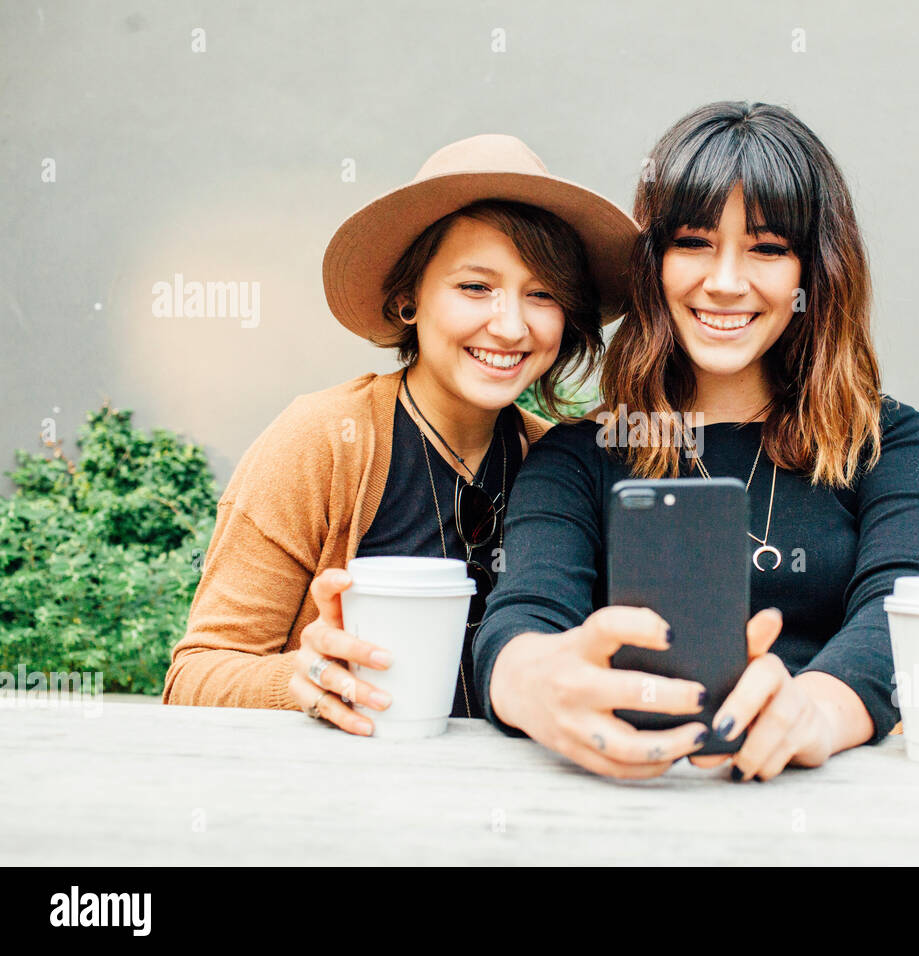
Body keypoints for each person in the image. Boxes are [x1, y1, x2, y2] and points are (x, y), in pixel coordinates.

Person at [473, 102, 919, 780]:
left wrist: (814, 710)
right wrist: (533, 686)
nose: (726, 283)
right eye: (694, 242)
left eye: (767, 249)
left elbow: (900, 617)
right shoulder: (578, 455)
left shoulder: (889, 445)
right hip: (626, 797)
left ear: (812, 277)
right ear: (653, 264)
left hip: (832, 804)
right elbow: (523, 616)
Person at [164, 134, 638, 734]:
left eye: (542, 294)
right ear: (410, 299)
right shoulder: (323, 441)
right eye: (475, 287)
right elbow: (195, 676)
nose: (511, 325)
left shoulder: (559, 463)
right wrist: (302, 679)